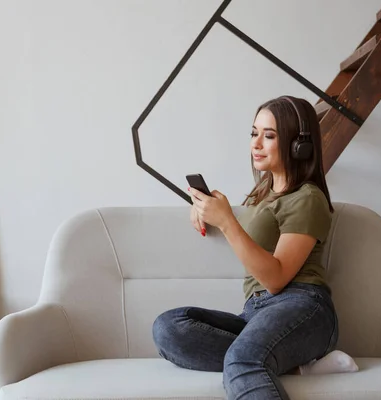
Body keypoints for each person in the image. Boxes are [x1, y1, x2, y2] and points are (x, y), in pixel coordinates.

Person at [152, 95, 358, 399]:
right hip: (255, 313)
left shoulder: (307, 198)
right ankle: (293, 364)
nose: (256, 144)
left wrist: (226, 222)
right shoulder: (262, 196)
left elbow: (275, 279)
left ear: (298, 145)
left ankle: (269, 359)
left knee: (242, 361)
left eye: (269, 135)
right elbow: (246, 237)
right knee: (169, 328)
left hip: (302, 306)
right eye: (254, 133)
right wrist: (205, 210)